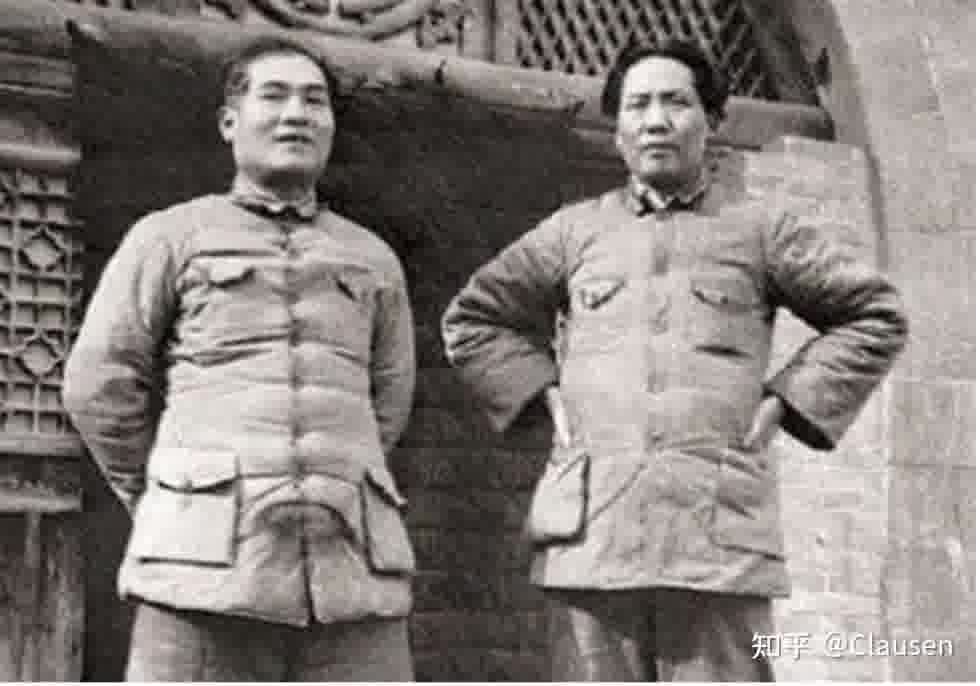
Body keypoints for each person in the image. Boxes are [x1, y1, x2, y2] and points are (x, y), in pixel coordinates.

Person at [441, 38, 908, 681]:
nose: (656, 121)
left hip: (716, 543)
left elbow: (875, 314)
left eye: (676, 103)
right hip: (593, 538)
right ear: (617, 130)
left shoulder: (760, 229)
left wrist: (785, 403)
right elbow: (473, 318)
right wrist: (545, 393)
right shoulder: (574, 232)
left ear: (711, 121)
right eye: (637, 106)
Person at [63, 35, 417, 681]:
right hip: (201, 577)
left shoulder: (373, 258)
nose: (296, 115)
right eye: (274, 96)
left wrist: (336, 478)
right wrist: (172, 497)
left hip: (352, 575)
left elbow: (389, 400)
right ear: (230, 122)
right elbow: (98, 385)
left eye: (314, 101)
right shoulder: (168, 237)